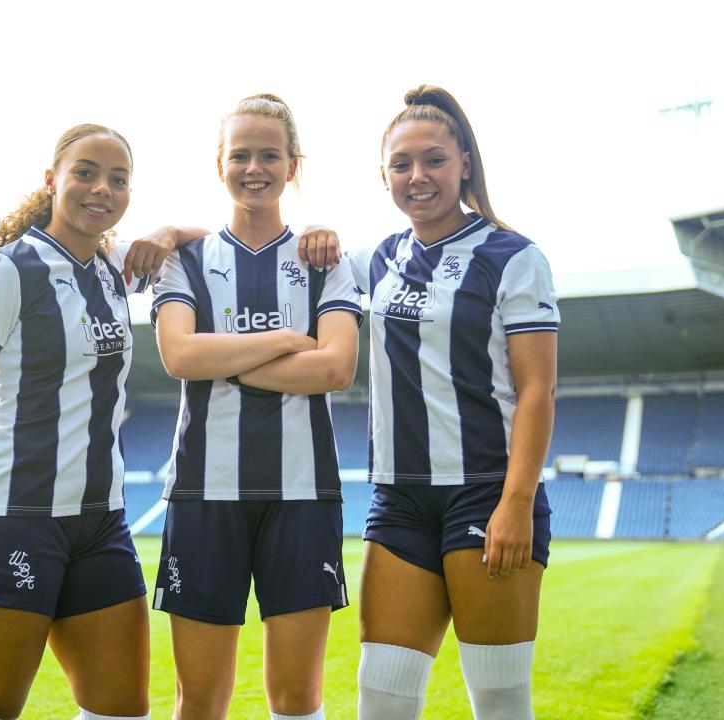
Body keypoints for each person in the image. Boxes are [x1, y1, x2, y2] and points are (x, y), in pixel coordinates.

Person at [0, 123, 206, 720]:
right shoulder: (5, 272)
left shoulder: (116, 266)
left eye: (119, 179)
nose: (103, 189)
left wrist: (165, 231)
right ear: (52, 181)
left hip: (99, 525)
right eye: (86, 173)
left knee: (122, 709)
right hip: (9, 520)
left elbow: (209, 240)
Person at [300, 85, 559, 719]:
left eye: (434, 160)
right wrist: (171, 233)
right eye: (401, 164)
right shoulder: (378, 260)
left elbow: (537, 389)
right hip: (399, 498)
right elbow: (258, 245)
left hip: (487, 491)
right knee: (382, 694)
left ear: (464, 163)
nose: (418, 177)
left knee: (499, 698)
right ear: (384, 174)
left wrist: (517, 503)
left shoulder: (513, 256)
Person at [150, 94, 363, 720]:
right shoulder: (184, 261)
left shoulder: (325, 261)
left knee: (297, 699)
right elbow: (180, 358)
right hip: (203, 495)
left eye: (269, 154)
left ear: (293, 165)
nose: (254, 167)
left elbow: (336, 369)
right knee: (201, 701)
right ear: (219, 164)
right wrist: (287, 341)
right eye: (239, 154)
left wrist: (229, 357)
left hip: (303, 495)